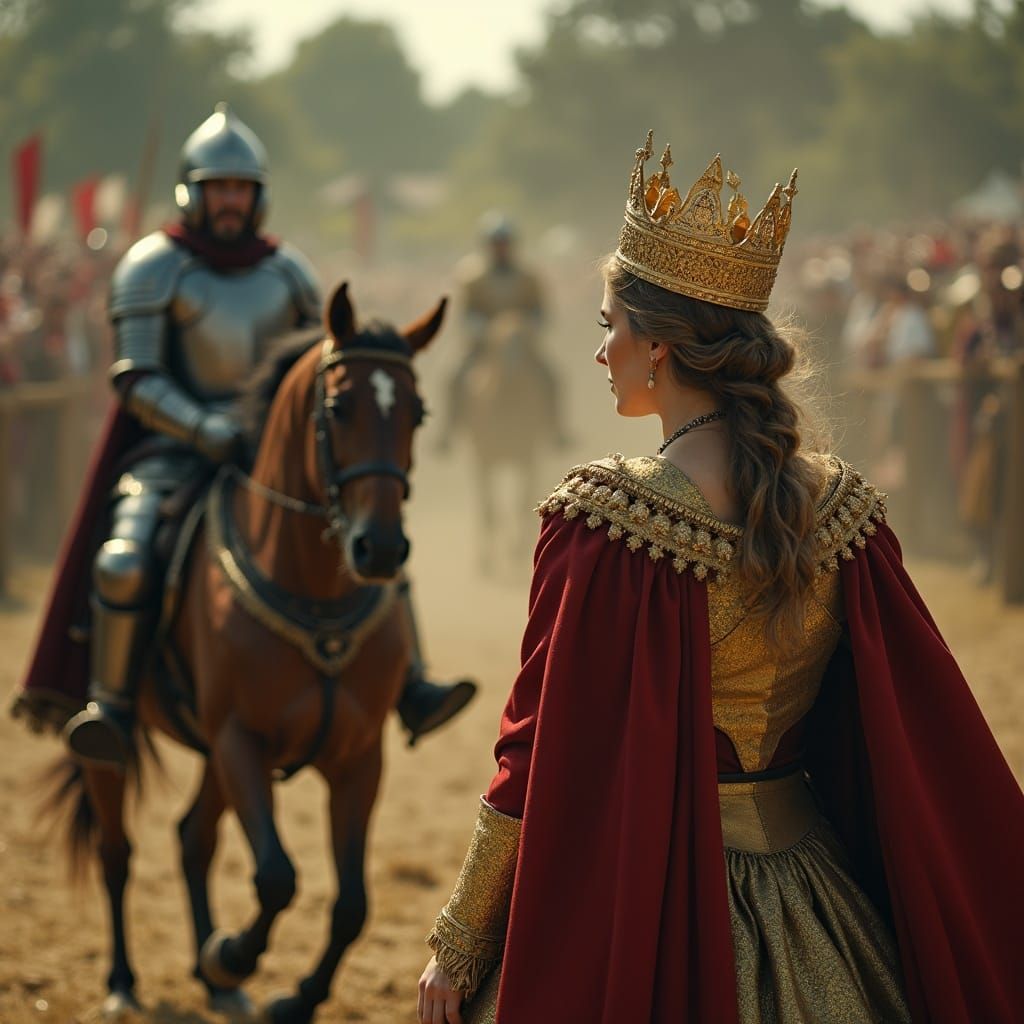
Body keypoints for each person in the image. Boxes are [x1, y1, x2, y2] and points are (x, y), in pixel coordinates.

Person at [417, 132, 1024, 1023]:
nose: (600, 354)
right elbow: (916, 726)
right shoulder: (846, 507)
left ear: (657, 345)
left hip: (659, 899)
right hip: (820, 894)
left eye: (608, 329)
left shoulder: (606, 523)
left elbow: (533, 750)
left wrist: (462, 940)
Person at [16, 104, 474, 765]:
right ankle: (112, 708)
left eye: (240, 189)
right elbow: (134, 377)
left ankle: (412, 682)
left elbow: (321, 366)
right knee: (124, 560)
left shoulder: (286, 270)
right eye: (218, 188)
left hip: (272, 452)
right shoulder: (153, 266)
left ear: (256, 196)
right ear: (193, 192)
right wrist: (203, 426)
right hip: (173, 448)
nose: (229, 201)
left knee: (371, 532)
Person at [438, 212, 566, 448]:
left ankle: (557, 430)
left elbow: (540, 311)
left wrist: (526, 329)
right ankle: (448, 431)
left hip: (521, 345)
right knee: (453, 376)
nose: (501, 249)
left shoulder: (529, 276)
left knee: (552, 377)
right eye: (496, 244)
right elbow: (466, 313)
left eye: (505, 244)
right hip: (482, 346)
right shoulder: (471, 276)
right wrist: (485, 331)